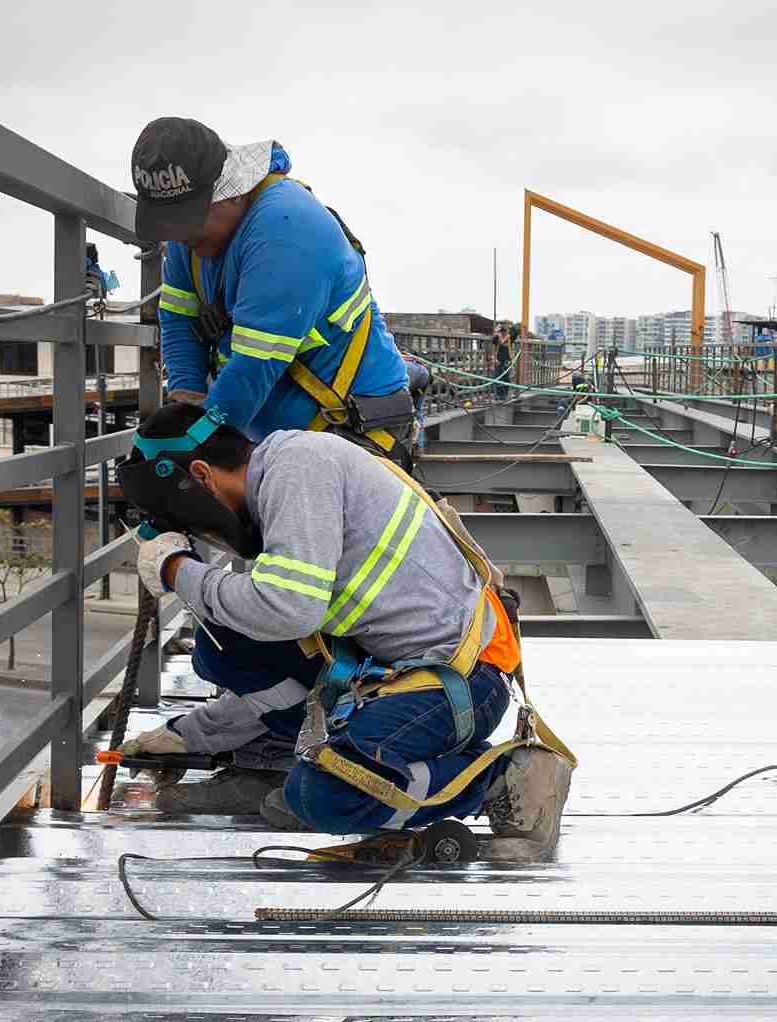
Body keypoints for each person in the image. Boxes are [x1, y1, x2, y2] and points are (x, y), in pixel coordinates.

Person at [115, 402, 573, 861]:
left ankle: (498, 778)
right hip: (390, 664)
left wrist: (177, 571)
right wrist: (192, 735)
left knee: (324, 799)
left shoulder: (297, 470)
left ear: (201, 474)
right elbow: (274, 632)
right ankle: (293, 759)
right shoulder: (284, 472)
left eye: (196, 525)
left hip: (463, 680)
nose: (210, 540)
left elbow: (289, 609)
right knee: (222, 647)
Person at [132, 117, 415, 462]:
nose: (181, 237)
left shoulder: (286, 226)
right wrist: (186, 405)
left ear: (230, 193)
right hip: (271, 434)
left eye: (188, 223)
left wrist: (195, 443)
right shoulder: (188, 239)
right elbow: (178, 319)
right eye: (171, 225)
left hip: (349, 430)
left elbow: (255, 364)